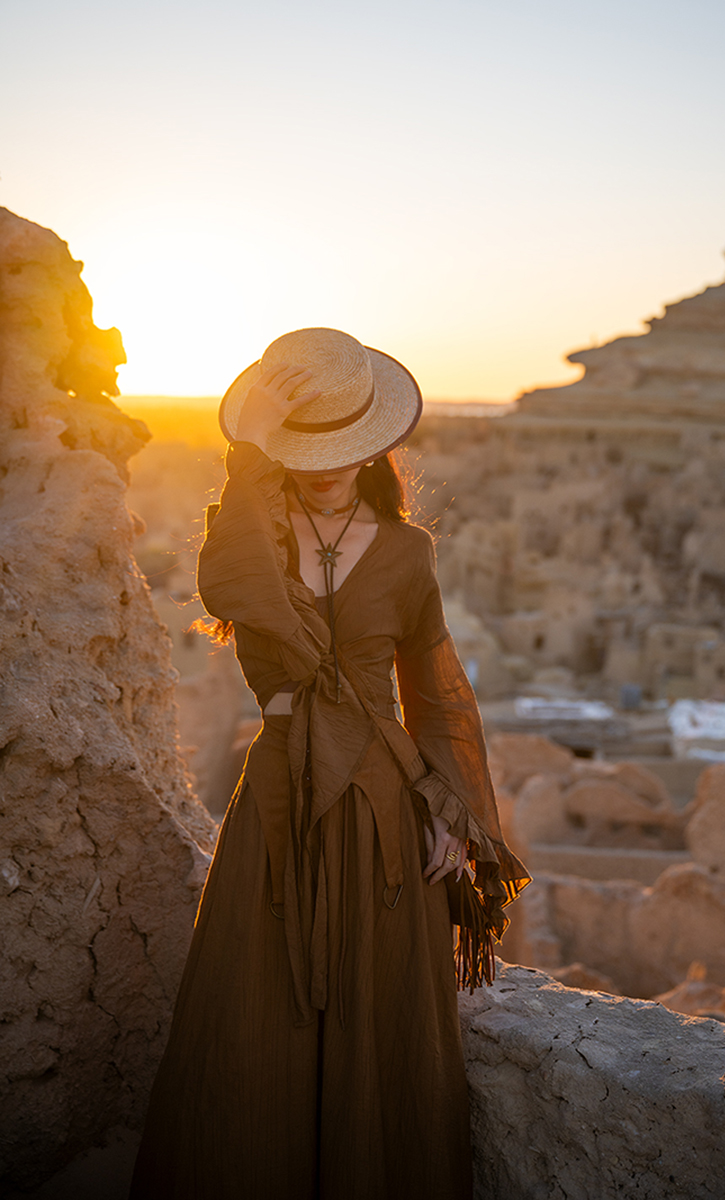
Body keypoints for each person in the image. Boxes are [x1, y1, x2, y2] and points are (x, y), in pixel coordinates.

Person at [129, 328, 529, 1200]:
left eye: (342, 449)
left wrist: (453, 818)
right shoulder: (249, 536)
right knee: (250, 1019)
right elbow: (228, 587)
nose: (323, 467)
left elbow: (438, 698)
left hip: (387, 809)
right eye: (301, 447)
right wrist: (247, 455)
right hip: (278, 796)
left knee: (381, 1030)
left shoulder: (407, 551)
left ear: (378, 446)